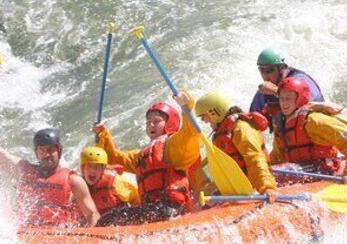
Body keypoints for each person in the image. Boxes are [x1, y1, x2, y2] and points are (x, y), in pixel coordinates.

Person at [0, 107, 100, 227]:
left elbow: (92, 214)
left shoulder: (73, 181)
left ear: (60, 151)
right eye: (42, 150)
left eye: (52, 149)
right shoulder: (23, 170)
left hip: (58, 237)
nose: (47, 154)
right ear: (36, 153)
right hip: (25, 234)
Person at [91, 97, 200, 226]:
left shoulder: (172, 145)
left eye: (156, 121)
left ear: (170, 122)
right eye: (148, 122)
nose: (151, 125)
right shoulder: (141, 154)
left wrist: (186, 106)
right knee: (108, 218)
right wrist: (103, 134)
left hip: (171, 208)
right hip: (153, 209)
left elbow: (190, 133)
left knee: (108, 220)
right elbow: (113, 157)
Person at [269, 77, 347, 180]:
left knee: (285, 172)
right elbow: (277, 157)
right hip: (299, 169)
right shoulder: (281, 125)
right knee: (273, 171)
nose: (283, 102)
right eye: (281, 98)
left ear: (300, 98)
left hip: (324, 169)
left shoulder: (313, 120)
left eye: (288, 98)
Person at [193, 90, 278, 201]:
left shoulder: (241, 129)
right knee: (198, 199)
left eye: (204, 116)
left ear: (214, 113)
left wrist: (267, 187)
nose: (204, 121)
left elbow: (255, 159)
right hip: (235, 183)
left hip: (250, 183)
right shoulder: (222, 131)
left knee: (207, 203)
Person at [250, 48, 324, 127]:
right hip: (288, 136)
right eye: (262, 70)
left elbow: (311, 105)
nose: (265, 75)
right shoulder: (264, 92)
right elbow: (252, 118)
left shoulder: (300, 80)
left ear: (282, 68)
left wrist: (276, 92)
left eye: (269, 70)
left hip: (314, 128)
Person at [79, 146, 140, 217]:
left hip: (119, 218)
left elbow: (135, 200)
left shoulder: (116, 182)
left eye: (97, 167)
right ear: (82, 168)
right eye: (89, 166)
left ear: (103, 169)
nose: (93, 170)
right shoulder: (77, 185)